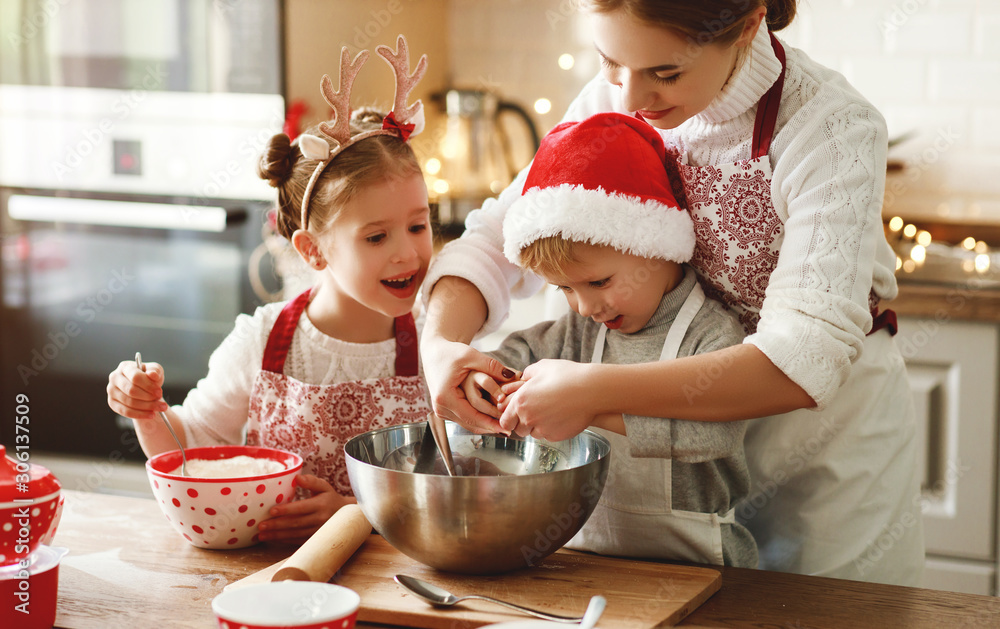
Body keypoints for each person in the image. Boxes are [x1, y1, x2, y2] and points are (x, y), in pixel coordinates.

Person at [419, 1, 924, 585]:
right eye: (611, 61)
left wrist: (593, 392)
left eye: (666, 73)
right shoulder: (613, 98)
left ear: (748, 25)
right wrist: (439, 346)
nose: (631, 97)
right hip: (670, 444)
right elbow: (495, 236)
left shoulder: (828, 127)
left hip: (822, 440)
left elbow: (803, 359)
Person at [106, 37, 433, 543]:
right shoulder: (261, 341)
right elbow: (192, 449)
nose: (408, 253)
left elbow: (456, 489)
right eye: (376, 236)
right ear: (313, 250)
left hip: (396, 589)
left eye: (418, 225)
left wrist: (355, 514)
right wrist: (148, 410)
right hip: (269, 583)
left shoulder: (437, 346)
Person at [464, 112, 756, 567]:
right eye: (565, 289)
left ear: (658, 247)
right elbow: (514, 355)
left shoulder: (711, 333)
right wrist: (484, 379)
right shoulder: (582, 331)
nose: (583, 306)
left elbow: (709, 435)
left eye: (598, 283)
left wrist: (585, 404)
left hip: (701, 568)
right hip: (592, 564)